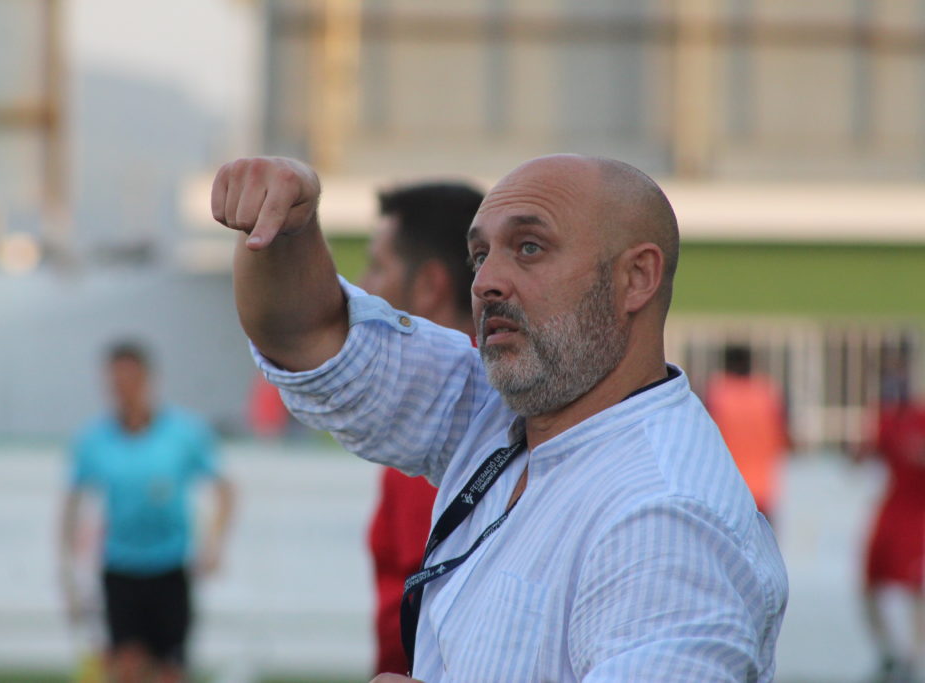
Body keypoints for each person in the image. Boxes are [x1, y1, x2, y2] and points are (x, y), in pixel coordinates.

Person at [212, 154, 788, 681]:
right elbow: (309, 336)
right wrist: (286, 226)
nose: (484, 282)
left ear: (636, 277)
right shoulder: (507, 411)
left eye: (529, 247)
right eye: (480, 254)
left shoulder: (665, 520)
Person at [362, 182, 484, 675]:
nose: (363, 288)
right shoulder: (495, 399)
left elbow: (420, 606)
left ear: (430, 285)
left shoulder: (446, 419)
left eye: (378, 266)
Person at [59, 341, 234, 683]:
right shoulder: (94, 440)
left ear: (147, 380)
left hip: (170, 568)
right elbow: (72, 503)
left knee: (170, 671)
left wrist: (214, 543)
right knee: (126, 668)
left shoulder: (183, 433)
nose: (123, 391)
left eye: (130, 380)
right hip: (121, 569)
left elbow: (225, 489)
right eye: (115, 383)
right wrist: (67, 572)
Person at [859, 351, 925, 682]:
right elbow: (869, 455)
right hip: (890, 510)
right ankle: (888, 652)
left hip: (917, 514)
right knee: (868, 585)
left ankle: (912, 657)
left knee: (914, 589)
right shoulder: (886, 416)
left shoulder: (920, 415)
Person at [704, 344, 790, 522]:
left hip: (725, 492)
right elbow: (785, 440)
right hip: (763, 491)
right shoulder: (767, 394)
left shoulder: (716, 395)